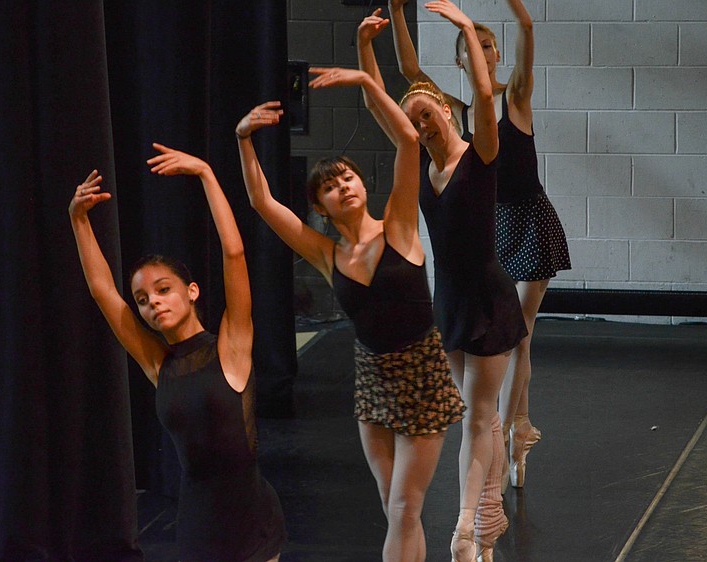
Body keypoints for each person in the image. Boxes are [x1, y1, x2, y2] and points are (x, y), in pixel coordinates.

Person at [235, 61, 464, 561]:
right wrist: (244, 139)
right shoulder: (326, 253)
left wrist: (366, 81)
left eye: (349, 177)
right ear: (322, 207)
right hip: (373, 377)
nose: (345, 186)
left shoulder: (398, 225)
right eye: (331, 186)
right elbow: (260, 201)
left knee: (404, 507)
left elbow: (407, 141)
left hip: (422, 372)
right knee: (394, 505)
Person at [68, 144, 286, 562]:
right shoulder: (159, 364)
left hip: (252, 520)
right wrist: (78, 219)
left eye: (163, 290)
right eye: (144, 299)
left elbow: (235, 253)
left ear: (191, 292)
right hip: (198, 522)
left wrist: (206, 172)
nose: (153, 303)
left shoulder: (230, 345)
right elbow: (103, 293)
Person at [389, 0, 571, 492]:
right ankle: (513, 425)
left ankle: (514, 425)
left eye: (491, 46)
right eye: (477, 46)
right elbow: (410, 72)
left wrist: (502, 12)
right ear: (462, 60)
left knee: (522, 334)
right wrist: (396, 9)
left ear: (495, 54)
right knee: (509, 342)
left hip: (528, 218)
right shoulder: (459, 111)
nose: (486, 52)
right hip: (490, 228)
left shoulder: (514, 97)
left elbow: (527, 28)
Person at [370, 1, 529, 560]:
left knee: (480, 418)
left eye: (426, 113)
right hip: (451, 303)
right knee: (472, 420)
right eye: (411, 120)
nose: (419, 123)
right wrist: (368, 46)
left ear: (443, 109)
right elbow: (380, 102)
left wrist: (465, 26)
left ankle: (466, 529)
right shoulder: (419, 166)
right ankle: (482, 515)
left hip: (489, 297)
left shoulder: (480, 153)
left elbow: (487, 99)